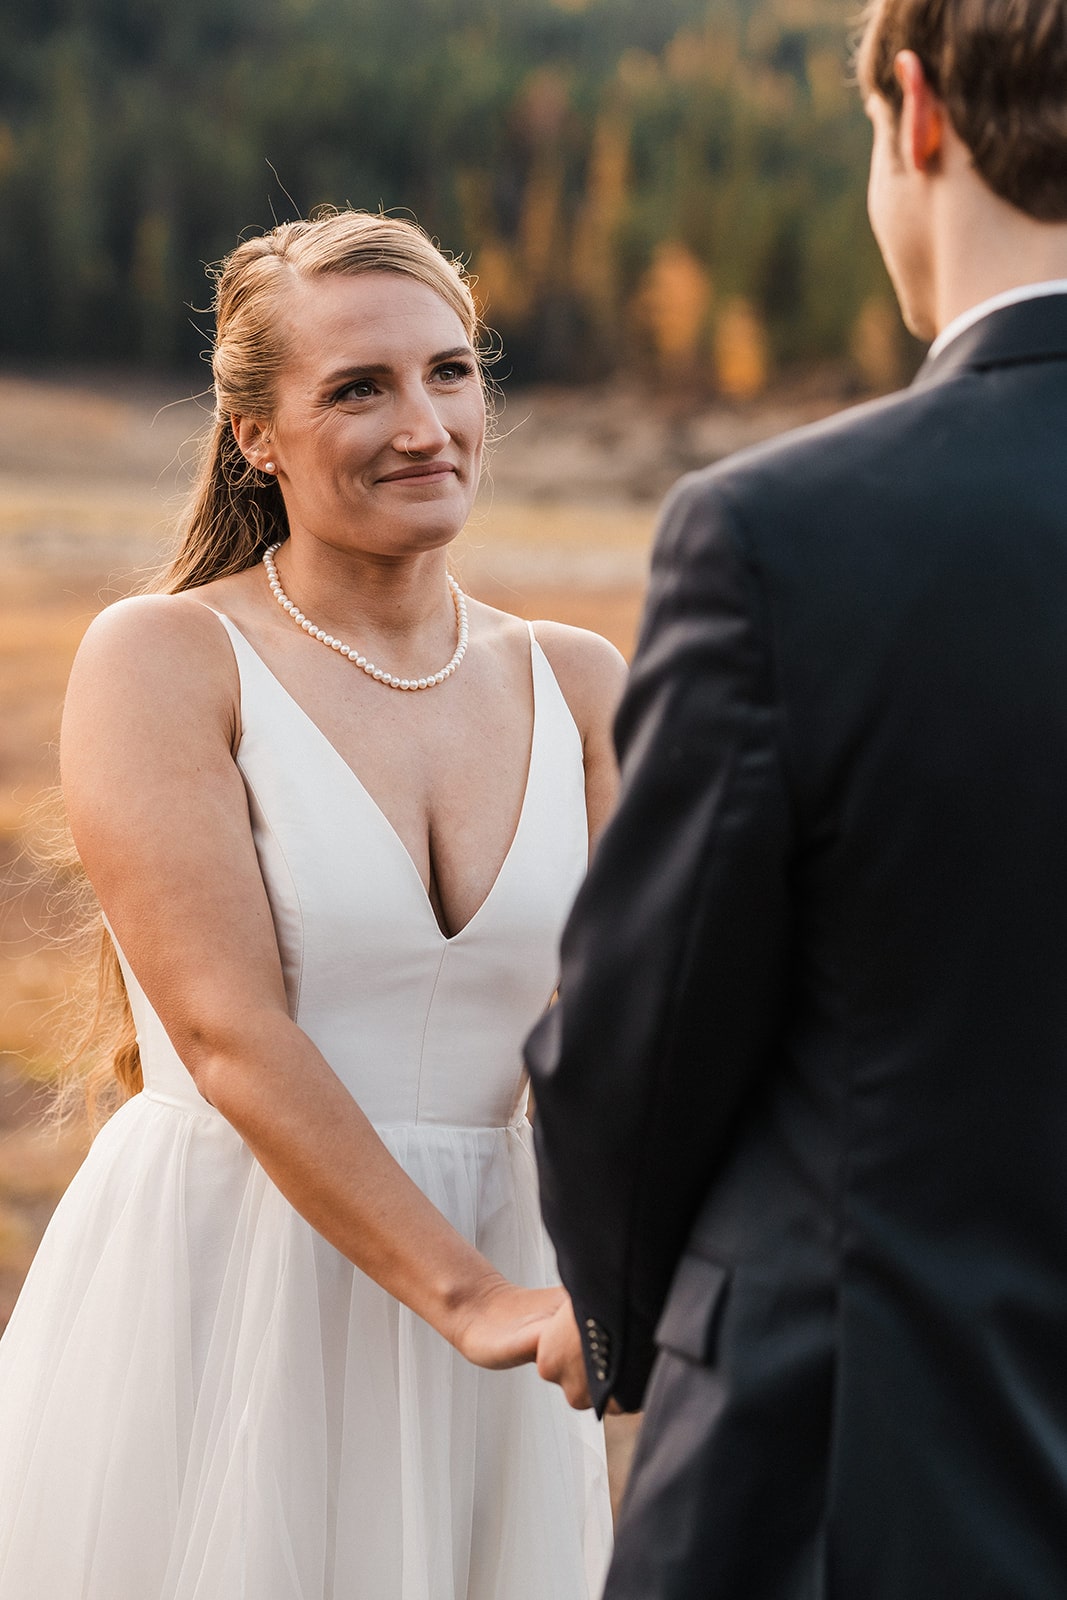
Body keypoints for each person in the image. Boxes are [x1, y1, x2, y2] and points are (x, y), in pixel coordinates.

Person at [0, 210, 621, 1599]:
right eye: (359, 388)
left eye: (450, 373)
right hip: (237, 1284)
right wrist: (472, 1300)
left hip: (517, 1302)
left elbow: (642, 1028)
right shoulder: (166, 658)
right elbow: (228, 1034)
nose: (425, 424)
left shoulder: (579, 681)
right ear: (255, 436)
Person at [526, 0, 1067, 1591]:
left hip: (856, 1466)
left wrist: (613, 1311)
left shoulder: (787, 537)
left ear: (918, 112)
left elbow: (645, 1018)